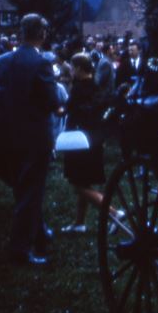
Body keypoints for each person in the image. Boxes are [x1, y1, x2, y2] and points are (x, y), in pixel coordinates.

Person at [0, 13, 59, 266]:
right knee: (30, 192)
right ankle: (20, 250)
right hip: (34, 138)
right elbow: (52, 101)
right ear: (41, 34)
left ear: (21, 32)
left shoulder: (0, 61)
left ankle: (39, 232)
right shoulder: (41, 63)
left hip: (5, 136)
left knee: (22, 188)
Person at [59, 53, 110, 234]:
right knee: (85, 182)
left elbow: (68, 110)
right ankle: (79, 223)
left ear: (79, 68)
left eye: (73, 68)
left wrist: (58, 109)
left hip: (78, 141)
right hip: (94, 139)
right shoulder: (96, 87)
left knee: (78, 185)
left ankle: (113, 212)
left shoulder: (78, 89)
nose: (71, 72)